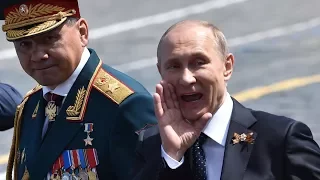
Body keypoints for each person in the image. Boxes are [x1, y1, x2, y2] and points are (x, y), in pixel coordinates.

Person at [131, 20, 320, 180]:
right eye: (173, 66)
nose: (186, 78)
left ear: (227, 66)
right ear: (160, 72)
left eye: (199, 62)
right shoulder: (151, 145)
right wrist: (172, 158)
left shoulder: (280, 139)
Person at [0, 0, 157, 179]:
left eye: (49, 38)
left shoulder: (125, 106)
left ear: (82, 32)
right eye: (24, 44)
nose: (38, 56)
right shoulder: (31, 106)